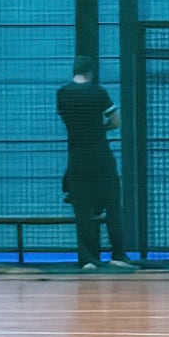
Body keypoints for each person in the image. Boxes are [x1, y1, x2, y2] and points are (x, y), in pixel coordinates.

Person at [56, 57, 132, 272]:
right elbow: (115, 120)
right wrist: (101, 129)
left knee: (82, 210)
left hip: (77, 159)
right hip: (100, 156)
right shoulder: (98, 93)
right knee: (113, 206)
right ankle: (118, 254)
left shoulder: (63, 93)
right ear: (91, 71)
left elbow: (67, 119)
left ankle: (87, 258)